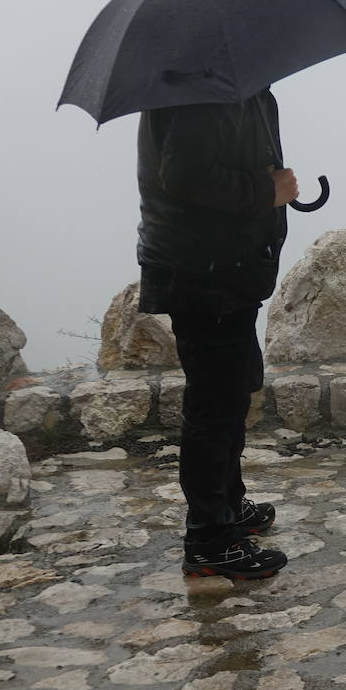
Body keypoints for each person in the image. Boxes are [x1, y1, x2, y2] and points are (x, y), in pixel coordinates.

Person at [135, 86, 294, 579]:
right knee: (213, 406)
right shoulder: (200, 91)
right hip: (203, 271)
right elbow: (183, 176)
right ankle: (209, 539)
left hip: (229, 267)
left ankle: (229, 505)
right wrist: (266, 192)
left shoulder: (237, 89)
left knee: (232, 393)